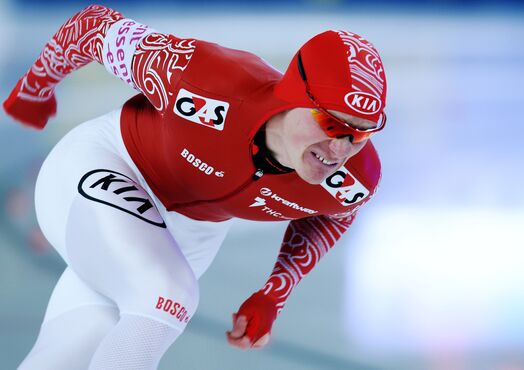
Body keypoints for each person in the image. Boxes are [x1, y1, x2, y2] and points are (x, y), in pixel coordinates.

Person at [3, 4, 387, 370]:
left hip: (189, 234)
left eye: (361, 133)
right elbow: (94, 26)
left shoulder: (355, 180)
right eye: (332, 124)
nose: (341, 149)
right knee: (164, 297)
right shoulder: (204, 79)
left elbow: (332, 217)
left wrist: (274, 293)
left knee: (73, 350)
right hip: (109, 165)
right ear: (294, 95)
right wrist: (35, 88)